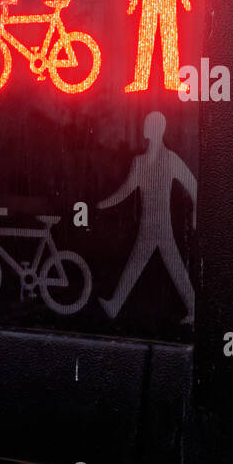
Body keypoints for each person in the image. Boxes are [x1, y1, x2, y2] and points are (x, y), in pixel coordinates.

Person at [97, 111, 197, 324]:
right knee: (146, 263)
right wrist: (104, 203)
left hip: (160, 225)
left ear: (157, 128)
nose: (143, 127)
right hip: (148, 225)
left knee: (160, 264)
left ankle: (116, 305)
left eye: (147, 123)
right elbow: (126, 191)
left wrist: (196, 214)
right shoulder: (139, 162)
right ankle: (115, 305)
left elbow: (194, 186)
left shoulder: (170, 159)